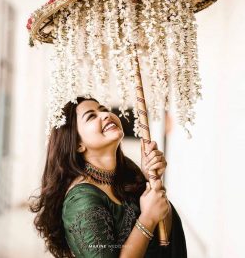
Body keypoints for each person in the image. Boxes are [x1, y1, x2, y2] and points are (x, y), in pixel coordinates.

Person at [30, 96, 187, 258]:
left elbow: (162, 240)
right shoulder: (81, 201)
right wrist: (147, 219)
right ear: (77, 144)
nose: (106, 115)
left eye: (104, 110)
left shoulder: (127, 172)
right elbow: (150, 219)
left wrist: (152, 180)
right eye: (91, 116)